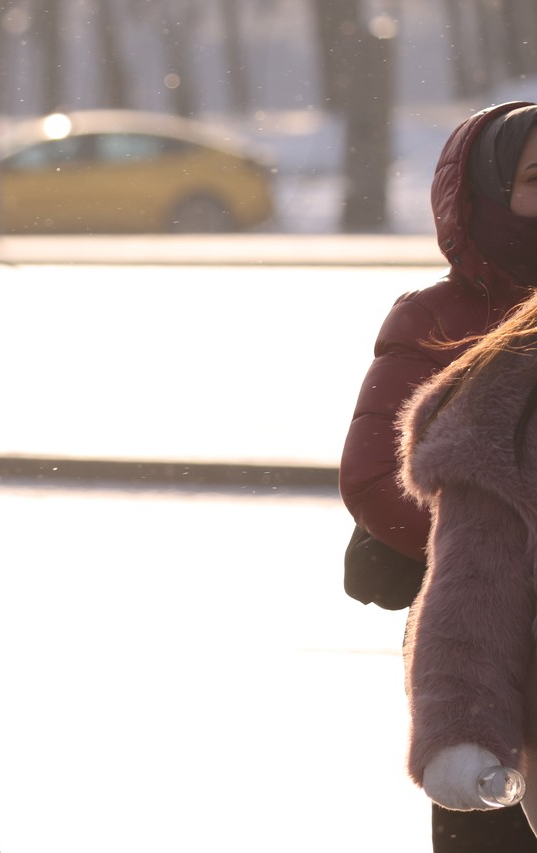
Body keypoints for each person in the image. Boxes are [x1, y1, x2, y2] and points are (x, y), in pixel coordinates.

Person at [339, 101, 537, 849]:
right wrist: (491, 542)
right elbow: (375, 476)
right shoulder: (436, 318)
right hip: (481, 638)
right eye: (536, 178)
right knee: (487, 818)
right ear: (481, 194)